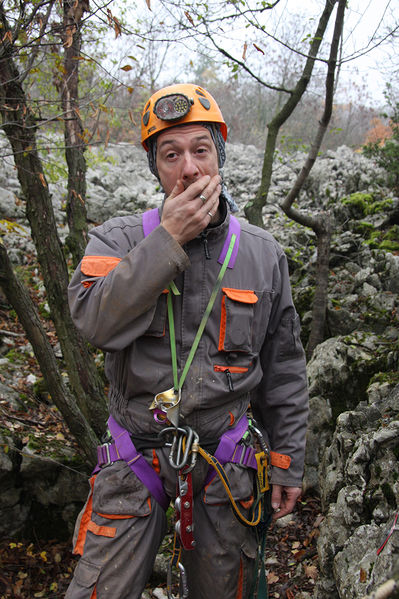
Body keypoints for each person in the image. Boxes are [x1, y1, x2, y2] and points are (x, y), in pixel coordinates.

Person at [65, 83, 309, 599]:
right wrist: (165, 243)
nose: (189, 169)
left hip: (227, 463)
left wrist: (288, 459)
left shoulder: (262, 254)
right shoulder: (118, 240)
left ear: (219, 157)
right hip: (134, 461)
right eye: (171, 155)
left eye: (201, 151)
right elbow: (93, 321)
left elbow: (284, 366)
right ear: (156, 167)